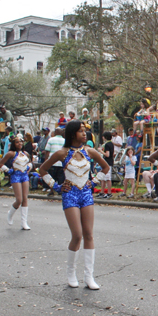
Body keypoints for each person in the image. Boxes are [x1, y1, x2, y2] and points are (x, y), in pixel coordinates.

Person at [39, 120, 110, 290]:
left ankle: (89, 276)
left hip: (86, 194)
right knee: (77, 235)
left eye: (85, 130)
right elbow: (42, 170)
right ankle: (71, 273)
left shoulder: (90, 151)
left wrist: (94, 182)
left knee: (89, 234)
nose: (84, 134)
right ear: (72, 134)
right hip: (69, 195)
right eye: (80, 131)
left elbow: (106, 167)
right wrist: (57, 187)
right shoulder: (62, 153)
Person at [0, 134, 33, 230]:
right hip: (15, 176)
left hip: (24, 176)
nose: (20, 143)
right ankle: (10, 214)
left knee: (25, 199)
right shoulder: (11, 153)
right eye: (17, 142)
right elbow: (0, 163)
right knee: (19, 199)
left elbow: (30, 162)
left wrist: (29, 167)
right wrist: (8, 170)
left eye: (21, 142)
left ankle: (24, 222)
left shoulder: (26, 153)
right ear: (14, 144)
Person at [44, 127, 66, 195]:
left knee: (52, 177)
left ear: (55, 132)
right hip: (61, 162)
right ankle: (61, 191)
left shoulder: (51, 140)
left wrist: (46, 161)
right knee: (61, 178)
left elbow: (47, 151)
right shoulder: (64, 140)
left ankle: (51, 191)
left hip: (52, 162)